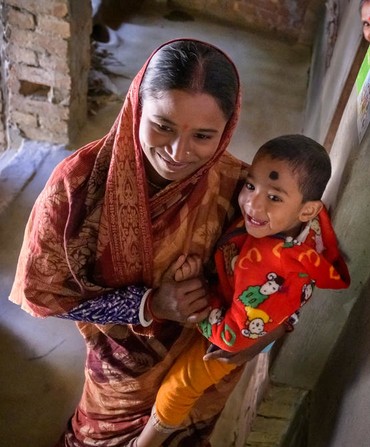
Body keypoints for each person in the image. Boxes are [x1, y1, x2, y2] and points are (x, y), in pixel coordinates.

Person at [10, 40, 278, 446]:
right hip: (119, 372)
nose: (177, 152)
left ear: (228, 129)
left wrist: (261, 332)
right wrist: (151, 304)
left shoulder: (240, 191)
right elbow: (44, 292)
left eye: (203, 136)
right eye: (162, 126)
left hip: (199, 365)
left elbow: (286, 266)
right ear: (136, 106)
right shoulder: (77, 188)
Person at [137, 135, 350, 447]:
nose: (253, 203)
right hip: (253, 306)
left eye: (274, 197)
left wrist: (199, 295)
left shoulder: (271, 270)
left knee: (181, 385)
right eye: (251, 185)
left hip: (239, 331)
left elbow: (231, 338)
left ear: (307, 210)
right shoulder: (296, 222)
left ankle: (146, 442)